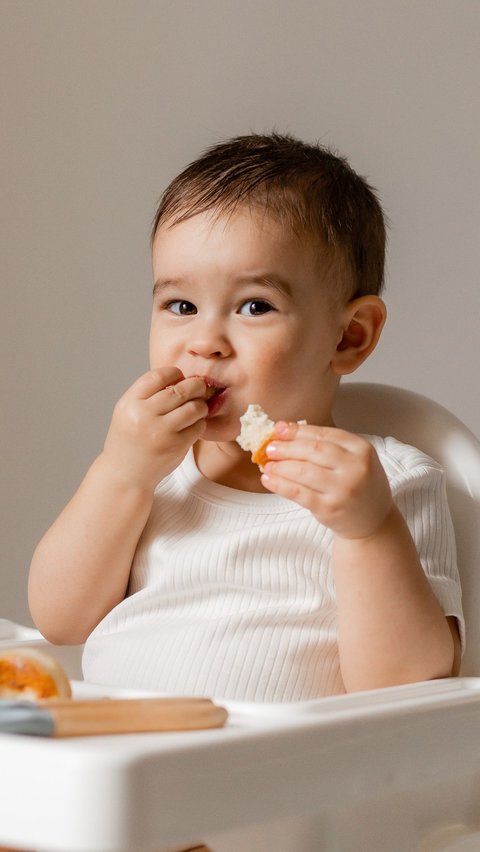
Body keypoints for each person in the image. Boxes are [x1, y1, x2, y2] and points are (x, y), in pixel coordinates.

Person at [28, 133, 463, 701]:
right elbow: (60, 622)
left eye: (255, 306)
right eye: (180, 306)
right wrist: (120, 472)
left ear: (349, 336)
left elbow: (405, 694)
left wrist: (368, 531)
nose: (204, 342)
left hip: (282, 778)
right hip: (125, 754)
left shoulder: (389, 483)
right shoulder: (152, 473)